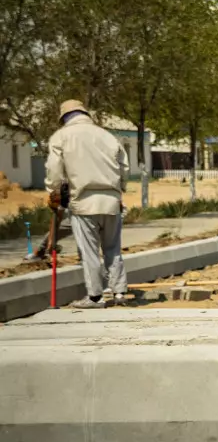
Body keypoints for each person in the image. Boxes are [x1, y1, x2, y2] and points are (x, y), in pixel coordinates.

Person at [45, 100, 129, 309]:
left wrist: (53, 192)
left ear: (64, 117)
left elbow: (54, 169)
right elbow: (124, 167)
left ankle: (95, 297)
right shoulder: (107, 136)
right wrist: (121, 190)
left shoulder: (61, 137)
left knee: (89, 251)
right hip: (111, 202)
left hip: (83, 202)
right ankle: (119, 293)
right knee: (113, 248)